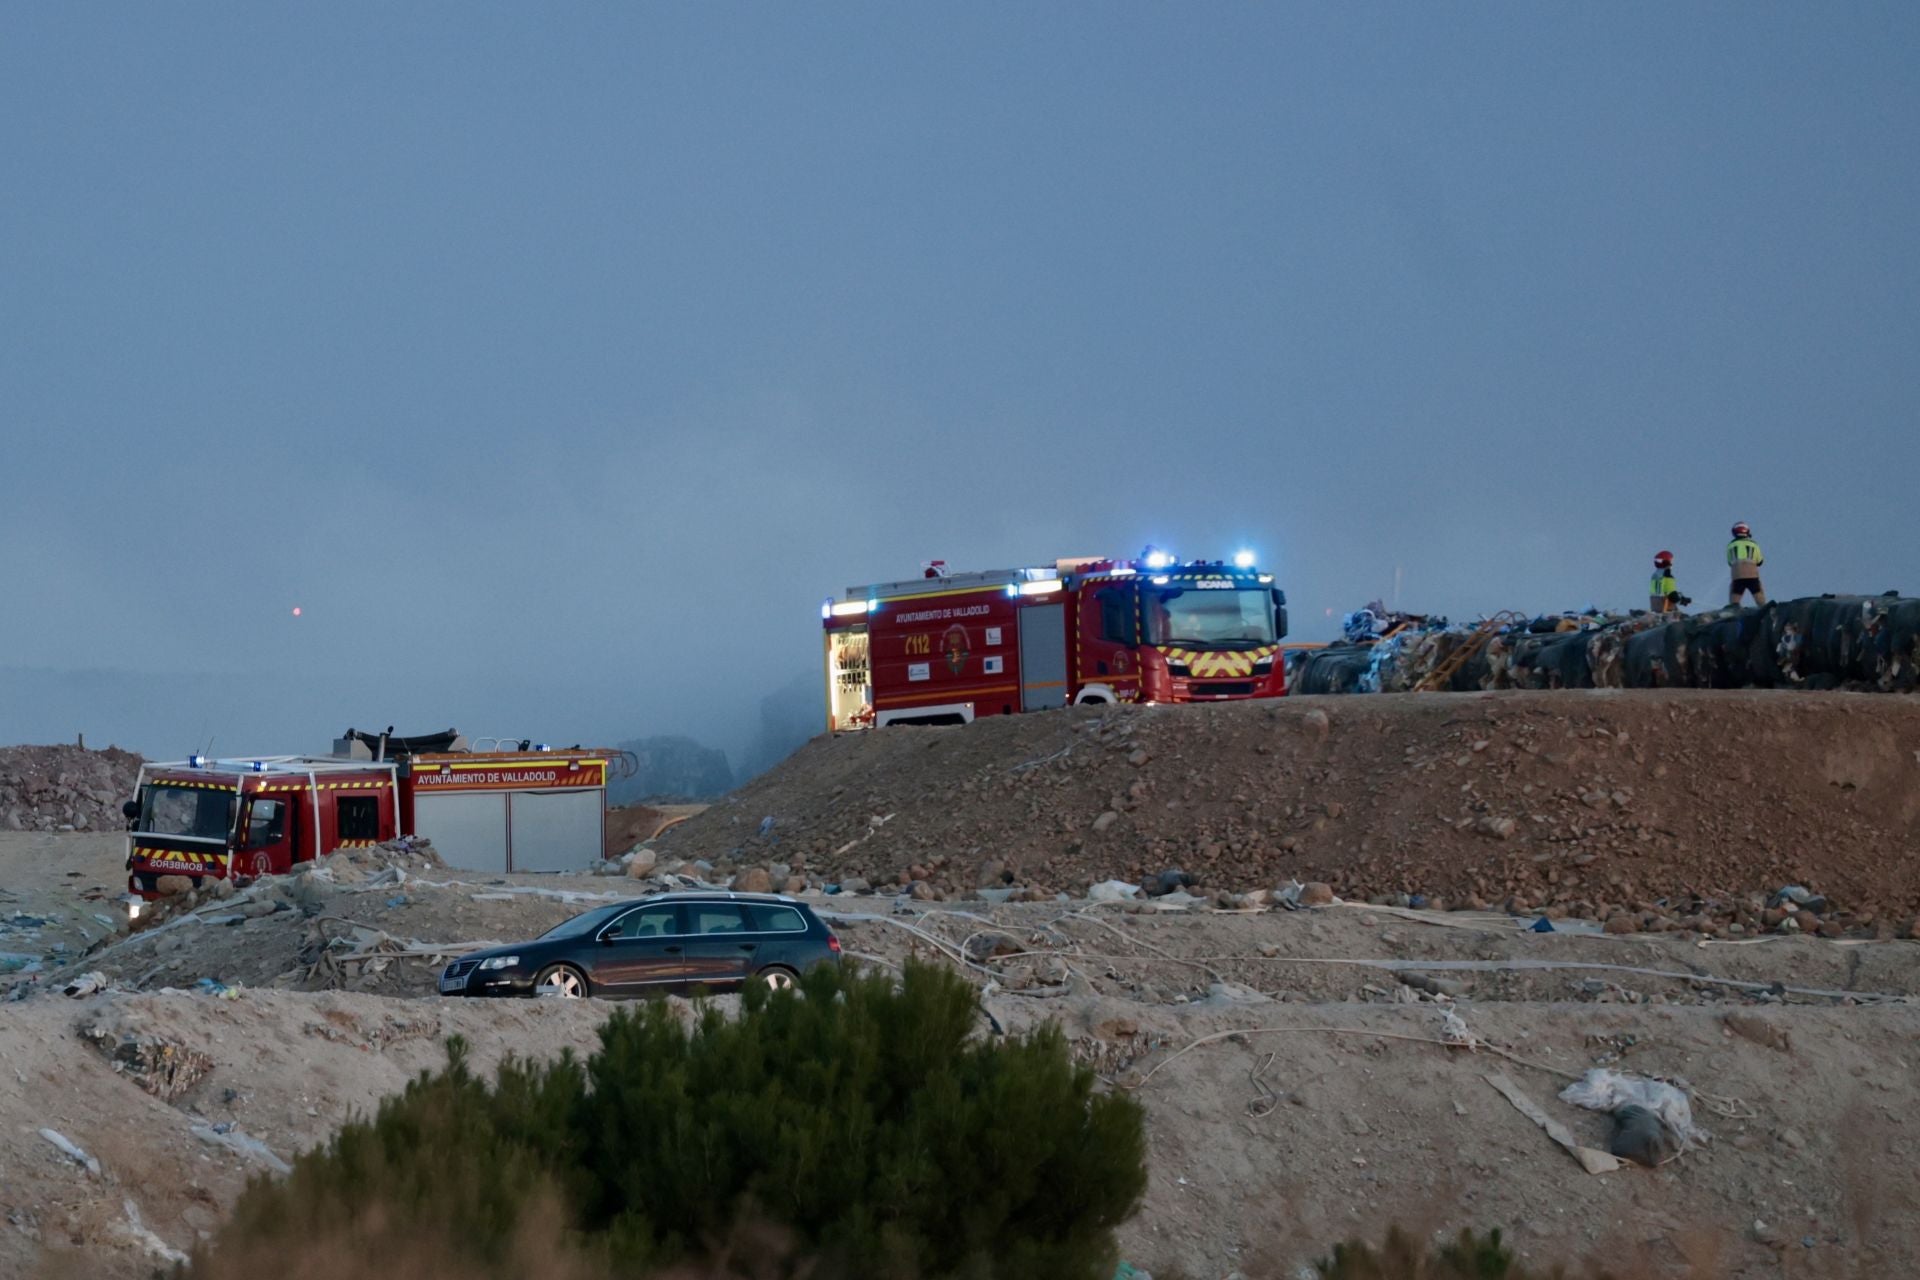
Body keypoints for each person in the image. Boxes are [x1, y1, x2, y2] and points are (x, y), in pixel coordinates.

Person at [1727, 522, 1767, 607]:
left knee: (1734, 596)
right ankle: (1764, 609)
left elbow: (1730, 562)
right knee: (1759, 595)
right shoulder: (1754, 544)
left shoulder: (1730, 545)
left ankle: (1733, 609)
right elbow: (1759, 561)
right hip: (1752, 576)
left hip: (1737, 576)